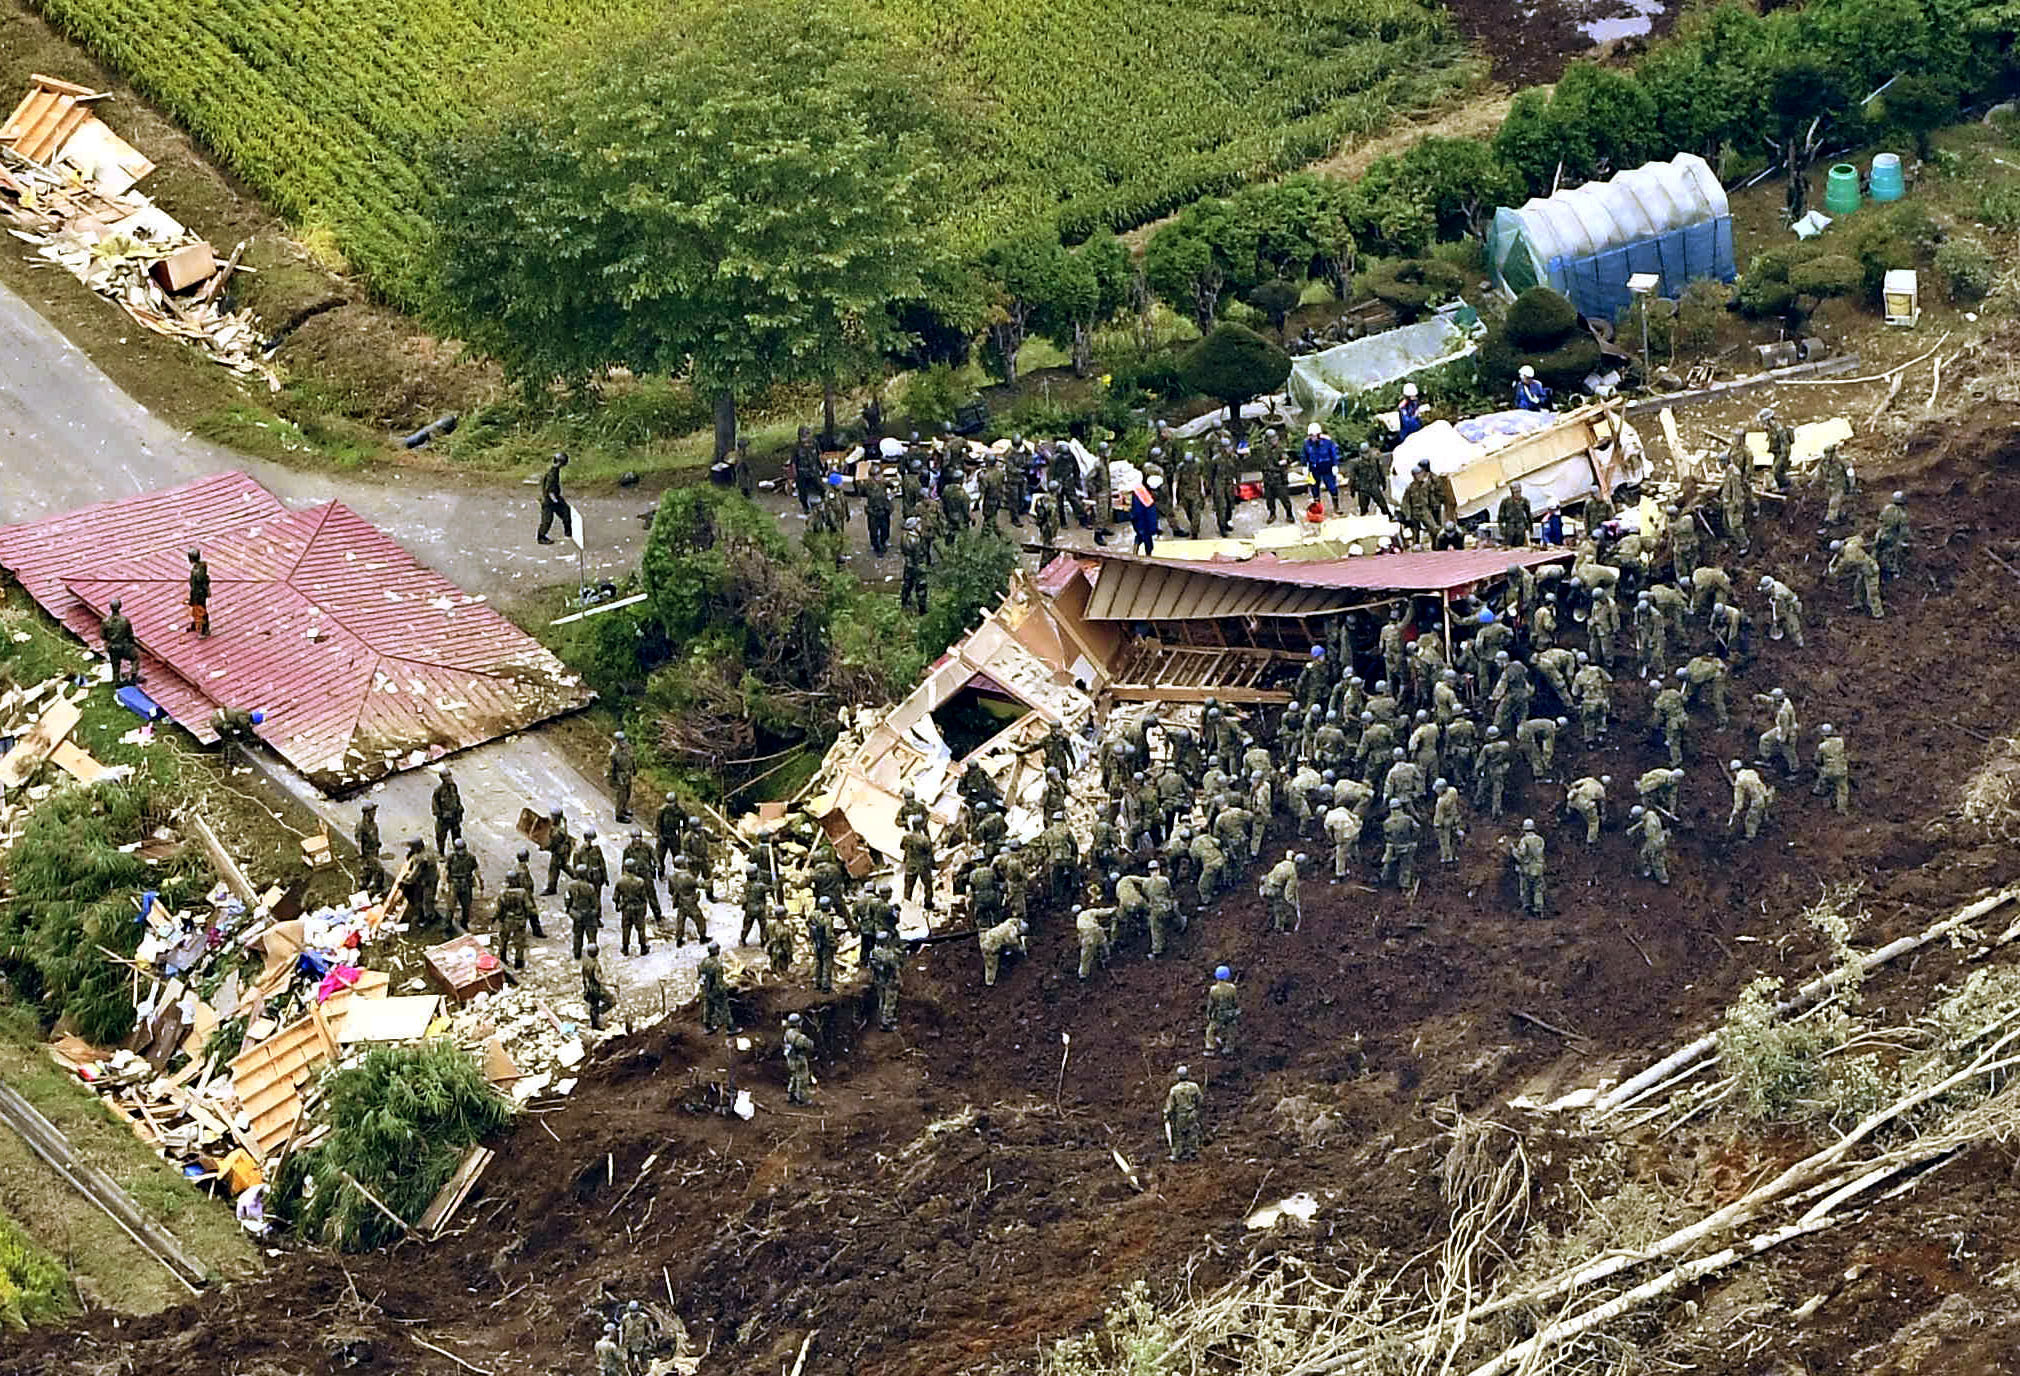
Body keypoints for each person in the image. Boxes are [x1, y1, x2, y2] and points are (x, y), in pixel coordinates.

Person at [1163, 1065, 1204, 1161]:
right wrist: (1196, 1110)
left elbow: (1171, 1105)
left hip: (1180, 1115)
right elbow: (1200, 1100)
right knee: (1192, 1133)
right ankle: (1193, 1152)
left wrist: (1167, 1114)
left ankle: (1178, 1154)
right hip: (1192, 1113)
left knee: (1178, 1135)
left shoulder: (1174, 1090)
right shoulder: (1194, 1087)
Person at [614, 858, 651, 956]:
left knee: (626, 928)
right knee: (641, 928)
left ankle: (625, 948)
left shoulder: (620, 881)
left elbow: (615, 897)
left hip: (626, 908)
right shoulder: (640, 881)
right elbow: (644, 897)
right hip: (638, 907)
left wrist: (617, 906)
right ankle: (643, 947)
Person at [1728, 761, 1774, 840]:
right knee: (1764, 810)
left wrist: (1735, 811)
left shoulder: (1739, 781)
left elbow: (1739, 801)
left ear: (1733, 771)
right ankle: (1765, 823)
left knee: (1751, 819)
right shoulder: (1751, 772)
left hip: (1757, 800)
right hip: (1766, 794)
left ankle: (1750, 836)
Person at [1302, 422, 1341, 513]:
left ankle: (1336, 507)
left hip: (1326, 468)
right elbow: (1304, 455)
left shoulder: (1328, 442)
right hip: (1313, 469)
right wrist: (1304, 466)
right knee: (1314, 488)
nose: (1312, 437)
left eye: (1314, 435)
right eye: (1311, 435)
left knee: (1332, 487)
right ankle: (1318, 508)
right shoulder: (1306, 443)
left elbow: (1334, 453)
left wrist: (1335, 465)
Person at [978, 917, 1028, 987]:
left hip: (989, 938)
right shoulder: (1011, 931)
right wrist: (1022, 950)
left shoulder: (1009, 923)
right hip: (990, 945)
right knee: (991, 964)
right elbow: (1013, 943)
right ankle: (990, 983)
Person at [1511, 819, 1546, 917]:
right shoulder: (1540, 840)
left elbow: (1521, 854)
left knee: (1525, 888)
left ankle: (1526, 907)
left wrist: (1513, 850)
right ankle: (1539, 909)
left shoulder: (1524, 840)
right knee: (1538, 889)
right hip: (1539, 868)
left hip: (1527, 869)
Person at [1626, 805, 1670, 885]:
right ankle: (1647, 869)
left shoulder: (1650, 826)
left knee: (1657, 861)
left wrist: (1652, 850)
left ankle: (1663, 879)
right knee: (1644, 854)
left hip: (1656, 843)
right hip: (1656, 839)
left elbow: (1651, 837)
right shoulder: (1650, 814)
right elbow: (1643, 821)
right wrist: (1633, 828)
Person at [101, 598, 139, 687]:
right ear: (120, 607)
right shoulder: (125, 620)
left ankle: (117, 682)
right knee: (135, 658)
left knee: (115, 666)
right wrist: (132, 643)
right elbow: (130, 635)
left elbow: (102, 636)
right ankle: (133, 677)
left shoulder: (105, 622)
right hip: (124, 646)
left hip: (112, 647)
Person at [1814, 724, 1851, 814]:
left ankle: (1818, 790)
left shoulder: (1822, 746)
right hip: (1842, 770)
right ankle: (1841, 810)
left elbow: (1817, 760)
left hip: (1829, 772)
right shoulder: (1840, 741)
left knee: (1822, 776)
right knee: (1842, 790)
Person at [445, 837, 480, 933]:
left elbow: (476, 870)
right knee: (451, 907)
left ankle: (464, 924)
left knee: (466, 906)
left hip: (465, 883)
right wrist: (445, 884)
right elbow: (446, 870)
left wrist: (480, 882)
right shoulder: (451, 857)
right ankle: (448, 927)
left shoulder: (471, 858)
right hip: (455, 883)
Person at [869, 933, 902, 1031]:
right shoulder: (889, 954)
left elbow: (872, 965)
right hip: (889, 980)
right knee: (890, 1001)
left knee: (882, 999)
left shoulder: (874, 952)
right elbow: (895, 967)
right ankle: (886, 1023)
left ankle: (882, 1018)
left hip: (879, 980)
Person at [536, 452, 571, 544]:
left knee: (566, 511)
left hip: (552, 497)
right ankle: (541, 537)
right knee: (547, 520)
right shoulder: (552, 473)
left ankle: (568, 532)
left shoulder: (554, 470)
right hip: (548, 500)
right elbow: (549, 489)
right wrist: (555, 500)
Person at [354, 802, 388, 897]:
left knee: (372, 872)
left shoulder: (373, 824)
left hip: (374, 852)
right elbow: (359, 842)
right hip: (367, 854)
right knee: (377, 870)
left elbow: (374, 837)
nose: (375, 813)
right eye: (373, 811)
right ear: (367, 813)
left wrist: (377, 843)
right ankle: (368, 890)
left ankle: (372, 890)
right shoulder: (361, 826)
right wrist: (361, 855)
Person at [1205, 966, 1239, 1056]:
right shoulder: (1232, 988)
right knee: (1231, 1030)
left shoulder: (1214, 989)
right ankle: (1229, 1048)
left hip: (1219, 1015)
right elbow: (1235, 1002)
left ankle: (1210, 1048)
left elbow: (1211, 1004)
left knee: (1211, 1030)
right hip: (1230, 1014)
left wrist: (1209, 1014)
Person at [580, 942, 614, 1031]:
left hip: (588, 986)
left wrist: (584, 986)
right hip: (595, 987)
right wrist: (611, 984)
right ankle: (598, 1016)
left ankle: (594, 1022)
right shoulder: (595, 964)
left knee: (593, 1005)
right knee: (611, 1001)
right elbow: (598, 979)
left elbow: (583, 974)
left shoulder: (586, 961)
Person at [783, 1013, 815, 1105]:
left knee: (794, 1077)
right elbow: (806, 1044)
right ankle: (802, 1099)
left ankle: (791, 1095)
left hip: (791, 1059)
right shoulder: (797, 1036)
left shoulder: (788, 1032)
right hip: (798, 1059)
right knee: (802, 1079)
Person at [1876, 492, 1911, 577]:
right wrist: (1904, 540)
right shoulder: (1902, 514)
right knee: (1892, 554)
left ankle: (1876, 564)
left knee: (1878, 550)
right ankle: (1892, 571)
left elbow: (1880, 519)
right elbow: (1904, 531)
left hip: (1881, 533)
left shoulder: (1886, 508)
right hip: (1891, 537)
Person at [431, 768, 463, 853]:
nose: (449, 778)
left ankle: (458, 849)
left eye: (450, 775)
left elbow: (457, 798)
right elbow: (435, 806)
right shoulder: (438, 791)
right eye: (446, 776)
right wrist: (442, 815)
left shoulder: (453, 786)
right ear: (442, 778)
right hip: (443, 819)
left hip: (454, 817)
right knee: (441, 837)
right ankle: (441, 853)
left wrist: (459, 809)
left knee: (456, 834)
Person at [607, 731, 635, 823]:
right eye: (622, 741)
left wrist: (634, 769)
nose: (624, 743)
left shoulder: (628, 747)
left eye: (624, 740)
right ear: (618, 742)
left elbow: (632, 758)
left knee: (628, 793)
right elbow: (611, 769)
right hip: (620, 776)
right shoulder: (614, 754)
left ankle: (624, 809)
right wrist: (614, 781)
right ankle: (619, 815)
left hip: (628, 774)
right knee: (621, 796)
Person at [1130, 475, 1162, 556]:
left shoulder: (1138, 490)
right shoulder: (1148, 500)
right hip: (1144, 524)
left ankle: (1135, 552)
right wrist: (1154, 529)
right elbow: (1152, 517)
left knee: (1139, 536)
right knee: (1148, 543)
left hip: (1137, 520)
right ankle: (1147, 556)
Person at [1496, 482, 1534, 549]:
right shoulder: (1505, 501)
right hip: (1510, 526)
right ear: (1511, 492)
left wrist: (1530, 527)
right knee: (1508, 545)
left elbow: (1529, 515)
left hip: (1520, 525)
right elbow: (1500, 516)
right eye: (1515, 492)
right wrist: (1501, 528)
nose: (1518, 493)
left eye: (1519, 491)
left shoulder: (1524, 501)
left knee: (1519, 545)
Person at [185, 549, 212, 636]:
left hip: (198, 593)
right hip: (196, 591)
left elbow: (200, 582)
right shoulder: (201, 566)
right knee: (195, 608)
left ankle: (205, 629)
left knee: (201, 610)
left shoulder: (197, 571)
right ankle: (195, 624)